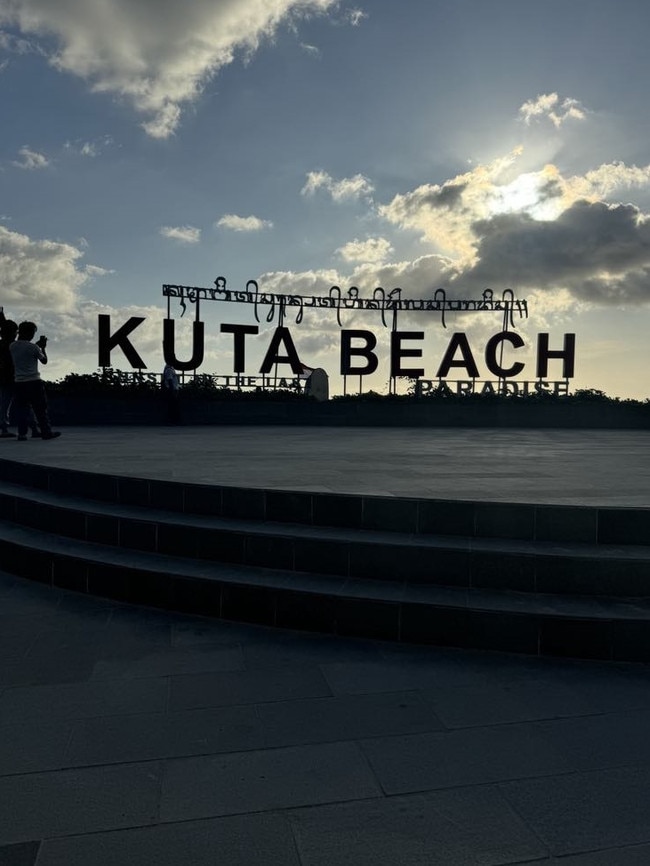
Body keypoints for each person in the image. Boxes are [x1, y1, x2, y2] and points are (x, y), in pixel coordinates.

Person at [10, 321, 61, 441]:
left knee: (22, 409)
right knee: (40, 409)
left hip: (19, 382)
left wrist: (36, 346)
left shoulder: (12, 346)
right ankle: (46, 432)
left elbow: (24, 349)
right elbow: (44, 360)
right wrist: (42, 347)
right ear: (30, 333)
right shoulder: (34, 347)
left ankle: (22, 434)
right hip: (33, 381)